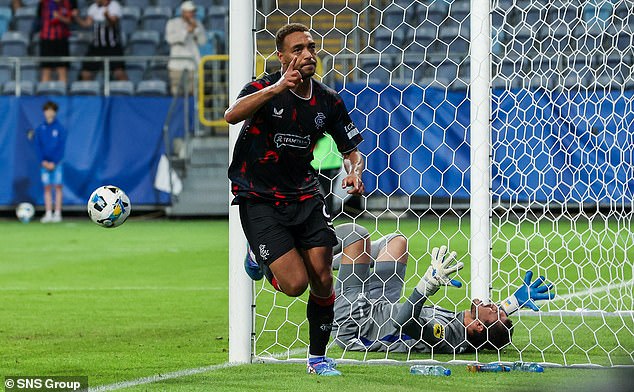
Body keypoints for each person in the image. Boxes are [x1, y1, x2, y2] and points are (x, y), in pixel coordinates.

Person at [226, 23, 365, 376]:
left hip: (304, 195)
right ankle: (259, 255)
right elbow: (231, 115)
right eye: (298, 49)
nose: (307, 54)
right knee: (294, 285)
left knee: (322, 276)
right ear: (282, 56)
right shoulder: (263, 87)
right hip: (258, 196)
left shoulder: (328, 100)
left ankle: (317, 359)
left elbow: (352, 150)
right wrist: (275, 89)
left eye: (311, 48)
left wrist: (354, 170)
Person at [330, 223, 555, 353]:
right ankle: (343, 262)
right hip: (382, 306)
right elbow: (491, 322)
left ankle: (313, 254)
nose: (494, 303)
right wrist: (514, 302)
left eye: (496, 310)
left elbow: (404, 323)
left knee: (356, 235)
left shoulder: (445, 335)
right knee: (397, 242)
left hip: (358, 324)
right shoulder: (471, 326)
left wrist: (426, 285)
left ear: (477, 326)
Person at [73, 0, 127, 81]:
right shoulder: (93, 7)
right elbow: (87, 24)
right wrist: (76, 17)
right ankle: (88, 92)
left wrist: (107, 16)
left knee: (119, 73)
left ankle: (125, 91)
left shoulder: (114, 5)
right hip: (96, 46)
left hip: (112, 46)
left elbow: (113, 23)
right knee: (86, 73)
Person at [34, 101, 67, 223]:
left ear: (55, 112)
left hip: (57, 164)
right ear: (44, 112)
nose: (49, 113)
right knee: (47, 188)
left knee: (58, 187)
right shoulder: (40, 129)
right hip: (44, 164)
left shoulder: (60, 128)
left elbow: (61, 147)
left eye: (52, 110)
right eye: (47, 110)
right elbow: (37, 146)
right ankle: (48, 213)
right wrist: (43, 161)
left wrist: (55, 162)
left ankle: (57, 213)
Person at [165, 1, 206, 96]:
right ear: (183, 12)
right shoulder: (172, 23)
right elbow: (170, 39)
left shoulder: (197, 23)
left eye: (193, 12)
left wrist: (196, 30)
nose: (192, 14)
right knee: (176, 92)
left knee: (193, 91)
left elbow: (202, 41)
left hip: (192, 63)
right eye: (190, 12)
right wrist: (186, 31)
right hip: (176, 63)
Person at [37, 0, 76, 82]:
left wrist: (59, 17)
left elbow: (70, 20)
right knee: (46, 71)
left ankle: (62, 93)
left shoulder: (66, 3)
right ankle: (45, 93)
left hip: (61, 40)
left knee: (62, 70)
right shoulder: (45, 2)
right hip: (47, 39)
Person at [310, 134, 342, 216]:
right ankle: (326, 214)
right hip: (318, 163)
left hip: (329, 163)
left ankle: (329, 214)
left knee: (327, 191)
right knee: (326, 191)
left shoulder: (326, 126)